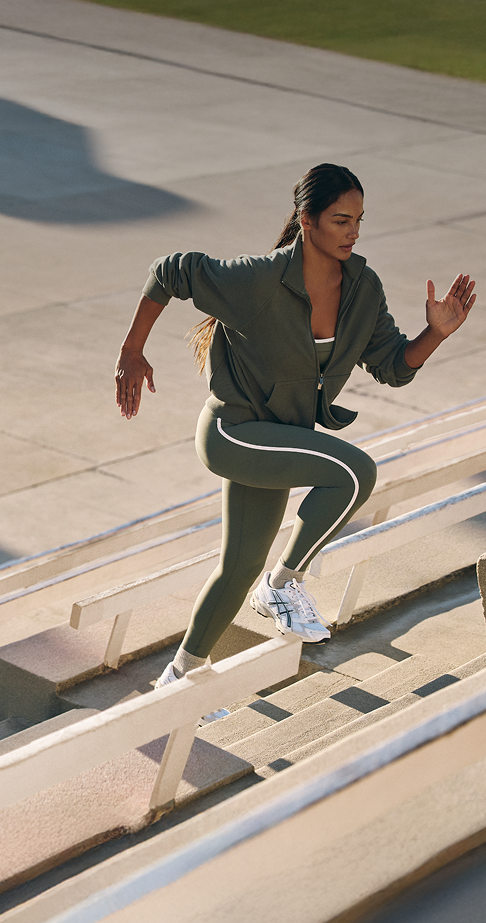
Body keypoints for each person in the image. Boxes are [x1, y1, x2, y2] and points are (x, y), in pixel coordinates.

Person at [115, 163, 476, 721]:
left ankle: (179, 678)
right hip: (234, 432)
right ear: (307, 221)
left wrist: (436, 332)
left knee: (238, 566)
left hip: (281, 439)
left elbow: (393, 366)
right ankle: (283, 584)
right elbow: (171, 271)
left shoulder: (362, 288)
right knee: (354, 473)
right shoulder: (259, 279)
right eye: (340, 220)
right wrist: (132, 350)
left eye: (359, 220)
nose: (353, 231)